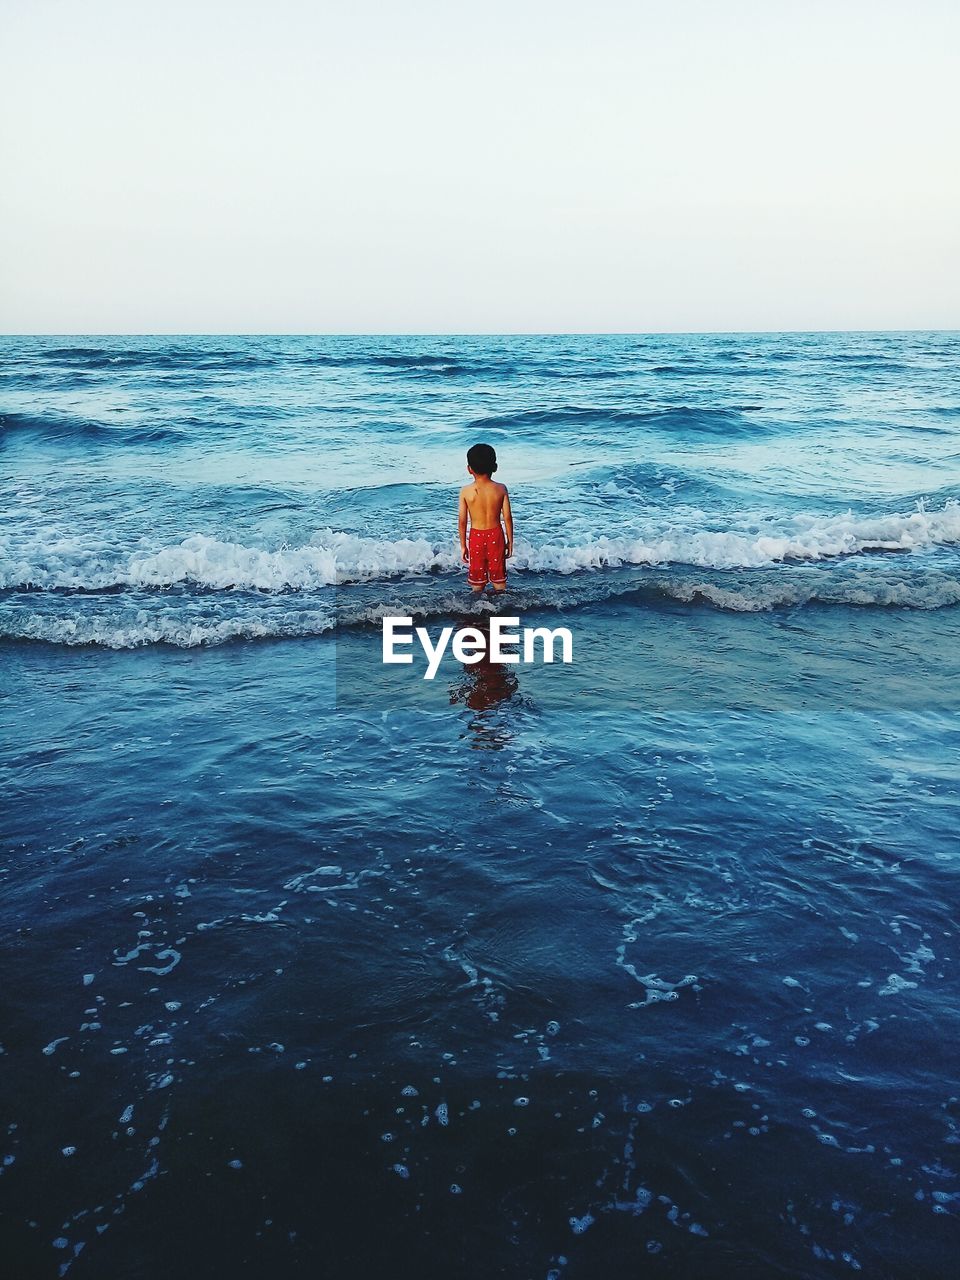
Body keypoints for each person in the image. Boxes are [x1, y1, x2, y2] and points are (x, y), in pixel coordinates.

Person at [458, 442, 513, 593]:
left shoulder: (466, 491)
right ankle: (502, 612)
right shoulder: (501, 488)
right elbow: (507, 517)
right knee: (499, 581)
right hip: (496, 535)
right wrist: (510, 542)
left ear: (469, 469)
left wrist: (463, 545)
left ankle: (478, 612)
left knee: (477, 583)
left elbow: (462, 521)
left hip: (476, 537)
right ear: (494, 467)